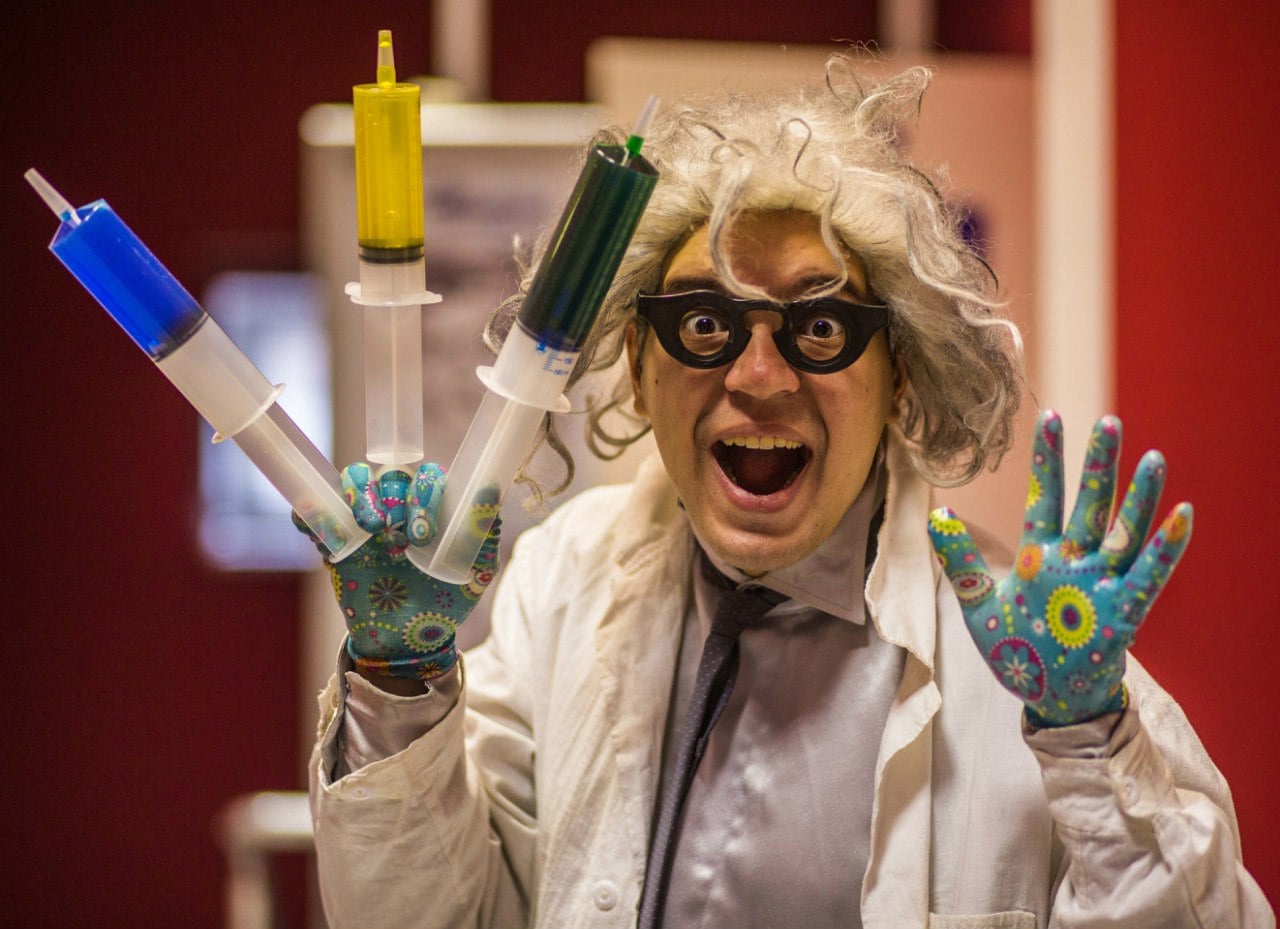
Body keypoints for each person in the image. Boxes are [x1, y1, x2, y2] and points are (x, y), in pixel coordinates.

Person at [301, 61, 1275, 929]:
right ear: (637, 365)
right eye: (702, 323)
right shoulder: (564, 579)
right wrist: (398, 687)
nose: (759, 376)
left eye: (819, 328)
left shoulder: (1024, 660)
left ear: (899, 375)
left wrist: (1090, 743)